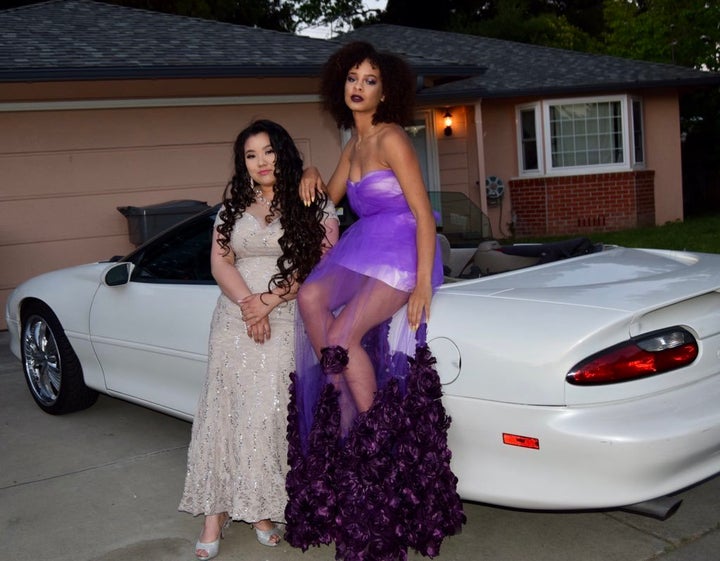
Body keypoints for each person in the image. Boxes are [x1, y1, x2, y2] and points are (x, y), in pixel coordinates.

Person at [286, 41, 465, 561]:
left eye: (370, 80)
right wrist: (310, 172)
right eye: (352, 79)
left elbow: (423, 212)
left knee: (344, 336)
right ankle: (338, 392)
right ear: (341, 86)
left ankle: (372, 437)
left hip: (403, 248)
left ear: (385, 93)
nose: (359, 87)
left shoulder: (391, 139)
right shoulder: (352, 145)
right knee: (310, 295)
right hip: (364, 246)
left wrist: (424, 283)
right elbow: (326, 204)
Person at [178, 119, 338, 560]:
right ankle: (214, 513)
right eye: (251, 155)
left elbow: (320, 262)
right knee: (222, 411)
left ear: (283, 152)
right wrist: (250, 303)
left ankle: (261, 509)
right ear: (242, 163)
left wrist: (270, 301)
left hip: (286, 316)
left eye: (268, 151)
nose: (261, 162)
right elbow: (220, 262)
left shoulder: (310, 199)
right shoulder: (232, 206)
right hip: (233, 317)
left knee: (267, 414)